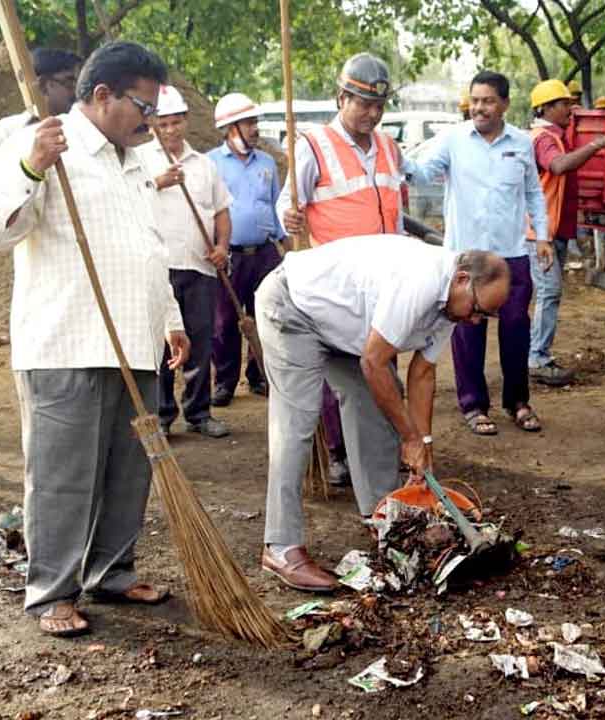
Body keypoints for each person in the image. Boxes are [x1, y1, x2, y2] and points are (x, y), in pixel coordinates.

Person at [0, 41, 189, 637]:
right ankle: (52, 591)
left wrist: (169, 316)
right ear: (102, 96)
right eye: (143, 108)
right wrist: (32, 167)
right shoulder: (40, 142)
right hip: (67, 339)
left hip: (135, 339)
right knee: (64, 475)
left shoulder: (135, 160)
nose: (149, 122)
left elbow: (150, 247)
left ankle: (111, 573)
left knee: (129, 469)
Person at [257, 235, 510, 592]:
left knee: (373, 411)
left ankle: (383, 521)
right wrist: (409, 437)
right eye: (478, 310)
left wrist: (423, 445)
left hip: (345, 329)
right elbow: (374, 361)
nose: (475, 321)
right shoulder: (421, 282)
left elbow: (422, 373)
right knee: (296, 423)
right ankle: (280, 548)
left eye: (485, 316)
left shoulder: (453, 305)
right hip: (293, 306)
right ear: (463, 279)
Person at [278, 53, 405, 486]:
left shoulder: (389, 147)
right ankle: (339, 453)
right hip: (337, 287)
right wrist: (289, 217)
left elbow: (395, 210)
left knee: (383, 368)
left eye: (378, 106)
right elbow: (287, 203)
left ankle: (385, 450)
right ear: (341, 97)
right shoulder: (313, 146)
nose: (371, 114)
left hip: (385, 280)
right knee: (344, 379)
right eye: (363, 104)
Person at [409, 71, 552, 436]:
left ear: (504, 104)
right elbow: (424, 173)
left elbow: (534, 192)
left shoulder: (521, 143)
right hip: (466, 258)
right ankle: (473, 405)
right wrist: (400, 162)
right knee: (466, 330)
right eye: (475, 100)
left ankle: (518, 402)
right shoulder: (453, 139)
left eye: (488, 101)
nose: (480, 107)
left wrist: (543, 237)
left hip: (512, 254)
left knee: (517, 328)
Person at [137, 85, 233, 439]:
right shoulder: (139, 162)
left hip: (199, 266)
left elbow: (222, 210)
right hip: (159, 268)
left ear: (186, 122)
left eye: (177, 122)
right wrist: (157, 182)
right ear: (152, 125)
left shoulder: (204, 165)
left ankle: (199, 412)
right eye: (164, 124)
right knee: (161, 345)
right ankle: (162, 414)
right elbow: (128, 203)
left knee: (201, 340)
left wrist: (222, 246)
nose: (171, 130)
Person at [525, 79, 605, 386]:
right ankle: (537, 359)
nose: (571, 107)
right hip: (542, 234)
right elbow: (559, 166)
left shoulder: (554, 134)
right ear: (546, 108)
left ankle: (534, 354)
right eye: (564, 103)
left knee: (546, 292)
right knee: (548, 292)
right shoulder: (544, 138)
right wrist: (599, 144)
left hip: (550, 231)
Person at [207, 92, 285, 407]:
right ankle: (224, 382)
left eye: (255, 122)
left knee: (265, 315)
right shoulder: (210, 163)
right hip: (230, 254)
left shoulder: (266, 163)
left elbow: (277, 205)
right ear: (230, 127)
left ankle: (258, 376)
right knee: (225, 320)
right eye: (249, 123)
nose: (255, 129)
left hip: (265, 252)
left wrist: (285, 247)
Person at [0, 48, 82, 176]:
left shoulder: (81, 126)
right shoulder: (9, 129)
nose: (76, 92)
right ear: (43, 85)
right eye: (69, 82)